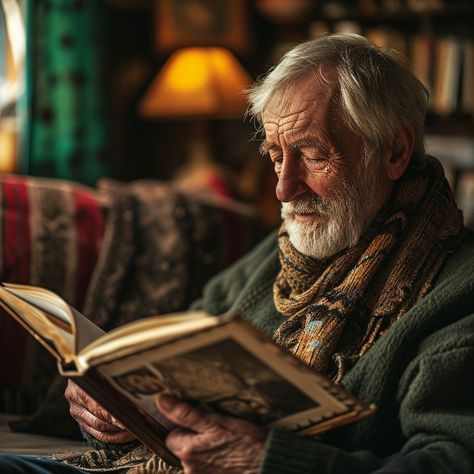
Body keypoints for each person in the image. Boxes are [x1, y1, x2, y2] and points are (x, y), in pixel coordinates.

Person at [1, 32, 473, 473]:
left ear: (393, 153)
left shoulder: (458, 295)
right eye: (274, 155)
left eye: (312, 155)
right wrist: (116, 407)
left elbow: (448, 461)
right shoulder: (286, 248)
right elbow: (173, 365)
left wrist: (264, 462)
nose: (284, 189)